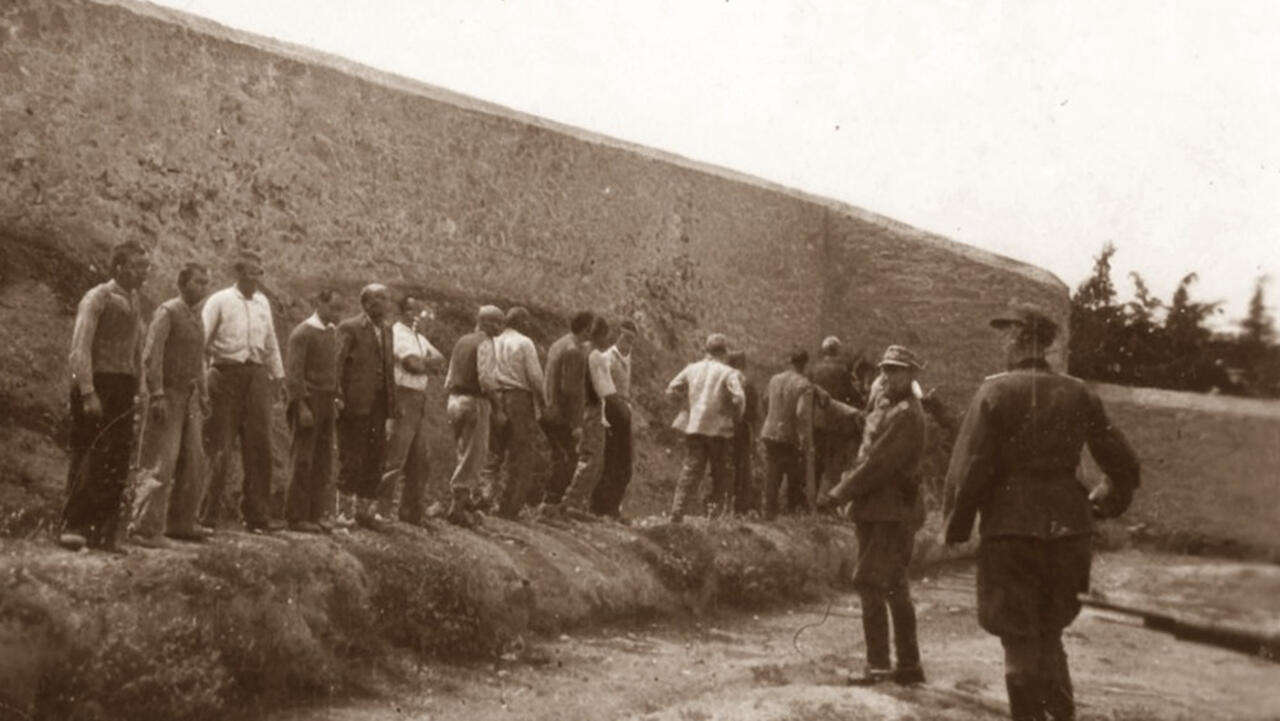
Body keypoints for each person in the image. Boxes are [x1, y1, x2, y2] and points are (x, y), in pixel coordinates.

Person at [944, 304, 1140, 721]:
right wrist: (1104, 504)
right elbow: (1125, 465)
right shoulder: (1079, 392)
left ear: (1020, 339)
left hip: (1012, 533)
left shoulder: (995, 392)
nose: (1004, 342)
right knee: (1050, 635)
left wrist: (957, 527)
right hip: (1070, 532)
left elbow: (972, 468)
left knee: (1018, 641)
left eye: (1008, 333)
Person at [818, 345, 928, 687]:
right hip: (884, 510)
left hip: (887, 512)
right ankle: (908, 666)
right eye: (885, 369)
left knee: (869, 582)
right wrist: (835, 405)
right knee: (894, 584)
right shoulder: (891, 408)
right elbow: (866, 427)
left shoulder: (907, 414)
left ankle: (878, 665)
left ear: (911, 375)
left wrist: (838, 492)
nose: (888, 375)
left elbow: (878, 462)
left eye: (896, 370)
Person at [62, 240, 150, 551]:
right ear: (120, 268)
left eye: (146, 266)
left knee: (117, 458)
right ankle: (73, 526)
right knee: (89, 454)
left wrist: (139, 386)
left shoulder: (135, 299)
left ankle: (104, 531)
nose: (145, 273)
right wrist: (87, 392)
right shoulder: (97, 297)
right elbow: (80, 348)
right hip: (97, 384)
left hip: (123, 386)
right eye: (139, 266)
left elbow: (136, 349)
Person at [200, 250, 286, 533]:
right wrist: (202, 380)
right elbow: (201, 340)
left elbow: (271, 341)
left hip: (257, 377)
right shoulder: (219, 301)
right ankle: (205, 517)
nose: (257, 277)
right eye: (251, 272)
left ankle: (257, 516)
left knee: (259, 447)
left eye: (260, 272)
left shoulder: (262, 303)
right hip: (225, 376)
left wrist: (279, 376)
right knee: (219, 447)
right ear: (238, 274)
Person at [130, 262, 210, 547]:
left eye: (206, 282)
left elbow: (199, 359)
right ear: (183, 282)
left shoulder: (196, 317)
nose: (204, 287)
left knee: (194, 463)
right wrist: (158, 394)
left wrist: (203, 392)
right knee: (161, 463)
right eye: (198, 282)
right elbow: (152, 356)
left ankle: (182, 524)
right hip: (168, 396)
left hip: (189, 399)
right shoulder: (167, 312)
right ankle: (144, 528)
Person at [666, 333, 745, 522]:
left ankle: (677, 511)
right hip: (719, 430)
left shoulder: (692, 369)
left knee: (691, 469)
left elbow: (670, 390)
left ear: (707, 351)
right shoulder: (728, 372)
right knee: (720, 473)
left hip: (695, 427)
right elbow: (739, 398)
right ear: (724, 352)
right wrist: (735, 414)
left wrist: (686, 405)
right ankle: (714, 515)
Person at [335, 284, 396, 530]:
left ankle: (364, 512)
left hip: (379, 404)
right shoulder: (349, 327)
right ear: (365, 303)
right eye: (377, 298)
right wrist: (337, 396)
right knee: (352, 456)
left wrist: (392, 408)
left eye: (386, 298)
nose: (383, 302)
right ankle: (343, 513)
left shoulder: (387, 331)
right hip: (355, 403)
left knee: (375, 456)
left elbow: (389, 370)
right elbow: (337, 364)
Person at [380, 295, 445, 525]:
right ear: (402, 312)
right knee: (395, 455)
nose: (416, 315)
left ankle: (411, 512)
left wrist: (425, 363)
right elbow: (411, 364)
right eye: (411, 310)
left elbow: (440, 358)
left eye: (419, 311)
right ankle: (381, 510)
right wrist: (426, 364)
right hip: (402, 395)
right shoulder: (397, 333)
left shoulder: (418, 337)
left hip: (418, 398)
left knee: (420, 457)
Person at [283, 289, 344, 533]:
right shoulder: (303, 333)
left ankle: (316, 514)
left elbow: (333, 371)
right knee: (303, 458)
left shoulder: (330, 333)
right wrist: (301, 406)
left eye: (340, 309)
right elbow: (294, 375)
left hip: (327, 402)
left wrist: (337, 397)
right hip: (308, 401)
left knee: (322, 460)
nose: (337, 314)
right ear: (319, 304)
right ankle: (296, 516)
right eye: (333, 308)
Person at [443, 305, 504, 527]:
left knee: (461, 450)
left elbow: (449, 377)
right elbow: (486, 380)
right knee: (474, 455)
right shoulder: (485, 343)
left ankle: (460, 500)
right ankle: (457, 507)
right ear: (485, 322)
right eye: (496, 322)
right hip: (474, 401)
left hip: (455, 399)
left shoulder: (462, 341)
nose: (499, 328)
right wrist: (498, 408)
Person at [484, 305, 545, 518]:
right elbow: (536, 378)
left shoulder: (493, 340)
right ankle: (509, 507)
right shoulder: (524, 343)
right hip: (518, 398)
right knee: (520, 454)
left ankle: (483, 499)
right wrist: (543, 402)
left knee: (493, 451)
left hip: (494, 397)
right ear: (522, 323)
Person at [553, 316, 613, 518]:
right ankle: (572, 502)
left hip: (586, 408)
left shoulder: (583, 350)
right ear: (601, 335)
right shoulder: (593, 354)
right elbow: (603, 389)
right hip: (592, 409)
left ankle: (575, 502)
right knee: (592, 458)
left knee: (591, 457)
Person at [539, 311, 594, 506]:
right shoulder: (574, 351)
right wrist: (576, 424)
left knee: (556, 455)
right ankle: (550, 503)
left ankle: (544, 501)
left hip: (547, 408)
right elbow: (571, 390)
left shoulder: (559, 344)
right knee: (568, 458)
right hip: (561, 414)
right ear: (586, 329)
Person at [759, 348, 815, 519]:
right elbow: (801, 413)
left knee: (772, 472)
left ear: (789, 361)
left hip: (769, 431)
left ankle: (768, 512)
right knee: (794, 475)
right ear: (805, 364)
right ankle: (793, 512)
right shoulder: (804, 384)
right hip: (789, 435)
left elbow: (765, 400)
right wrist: (804, 439)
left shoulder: (774, 379)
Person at [591, 318, 636, 518]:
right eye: (624, 336)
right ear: (617, 335)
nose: (627, 341)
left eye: (631, 338)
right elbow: (603, 389)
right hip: (611, 409)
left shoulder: (629, 357)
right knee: (612, 459)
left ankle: (613, 507)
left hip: (624, 410)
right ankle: (602, 508)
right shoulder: (608, 357)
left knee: (624, 462)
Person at [809, 335, 858, 495]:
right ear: (837, 350)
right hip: (837, 420)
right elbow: (852, 393)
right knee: (834, 461)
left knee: (817, 459)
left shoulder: (813, 369)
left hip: (816, 420)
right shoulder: (843, 370)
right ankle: (829, 499)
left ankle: (812, 499)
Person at [725, 350, 760, 515]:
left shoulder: (723, 378)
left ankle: (722, 504)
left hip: (723, 428)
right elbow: (754, 412)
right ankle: (740, 507)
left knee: (723, 465)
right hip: (742, 428)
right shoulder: (747, 382)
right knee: (742, 467)